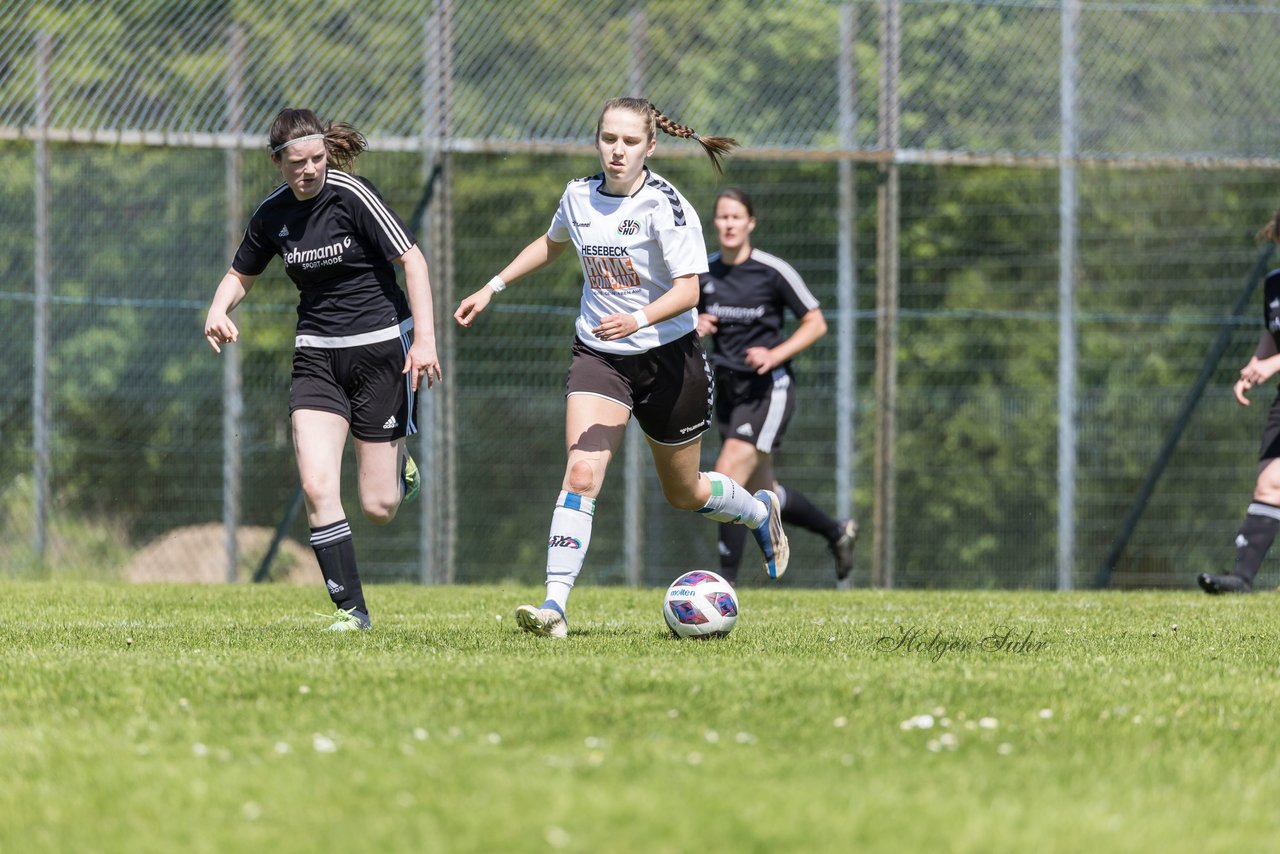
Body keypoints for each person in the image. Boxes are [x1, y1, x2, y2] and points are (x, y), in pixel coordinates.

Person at [454, 97, 789, 639]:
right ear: (597, 140)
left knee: (684, 494)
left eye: (630, 141)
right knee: (582, 473)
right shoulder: (577, 195)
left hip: (669, 362)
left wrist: (637, 318)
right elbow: (551, 242)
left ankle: (757, 513)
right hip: (599, 356)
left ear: (650, 147)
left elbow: (690, 291)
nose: (618, 150)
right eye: (609, 138)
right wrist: (492, 286)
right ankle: (554, 607)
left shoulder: (667, 205)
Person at [203, 107, 441, 630]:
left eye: (317, 159)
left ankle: (400, 464)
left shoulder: (353, 196)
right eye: (297, 163)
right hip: (316, 357)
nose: (309, 170)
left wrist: (423, 341)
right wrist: (219, 309)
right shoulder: (273, 214)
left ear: (327, 154)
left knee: (378, 507)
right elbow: (240, 273)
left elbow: (414, 262)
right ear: (277, 162)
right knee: (316, 486)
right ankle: (353, 612)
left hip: (382, 350)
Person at [697, 188, 858, 585]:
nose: (729, 224)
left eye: (737, 217)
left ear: (751, 222)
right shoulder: (705, 273)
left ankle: (724, 586)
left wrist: (775, 354)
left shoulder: (772, 271)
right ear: (715, 223)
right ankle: (836, 532)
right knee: (761, 492)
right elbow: (686, 321)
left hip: (768, 391)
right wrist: (694, 327)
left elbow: (816, 322)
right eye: (722, 217)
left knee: (726, 477)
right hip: (728, 393)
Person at [1199, 218, 1280, 594]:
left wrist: (1272, 366)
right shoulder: (1274, 283)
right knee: (1269, 484)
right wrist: (1254, 366)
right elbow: (1272, 334)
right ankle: (1242, 579)